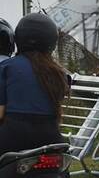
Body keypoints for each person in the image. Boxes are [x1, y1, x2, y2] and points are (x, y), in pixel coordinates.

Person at [0, 13, 69, 155]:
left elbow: (0, 114)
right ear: (52, 42)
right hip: (51, 136)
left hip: (13, 136)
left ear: (18, 39)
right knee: (61, 169)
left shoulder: (6, 67)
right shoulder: (60, 73)